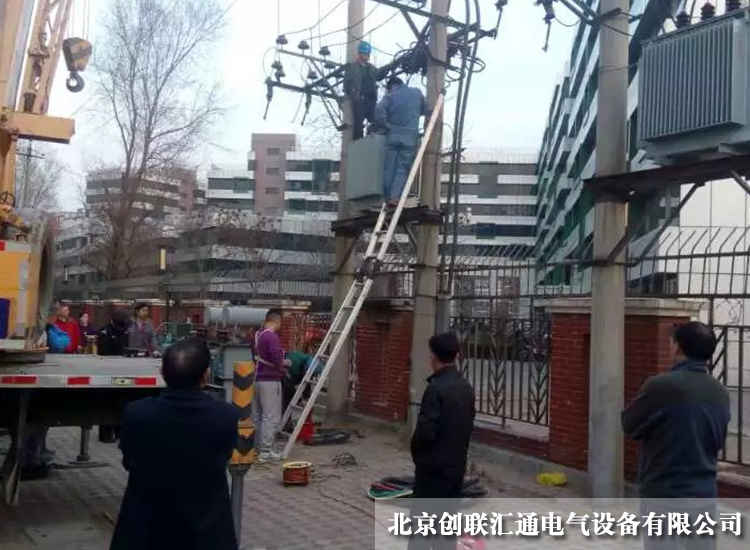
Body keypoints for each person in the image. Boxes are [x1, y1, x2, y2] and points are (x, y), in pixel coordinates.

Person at [110, 339, 240, 550]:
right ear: (206, 375)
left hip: (145, 531)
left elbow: (129, 461)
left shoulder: (136, 414)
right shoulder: (226, 416)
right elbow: (223, 457)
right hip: (206, 533)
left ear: (162, 372)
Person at [622, 322, 730, 499]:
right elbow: (717, 440)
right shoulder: (721, 392)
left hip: (664, 492)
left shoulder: (661, 386)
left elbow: (629, 424)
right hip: (705, 493)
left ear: (677, 347)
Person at [409, 333, 474, 550]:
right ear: (457, 355)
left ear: (434, 357)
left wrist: (418, 457)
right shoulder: (466, 387)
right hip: (455, 469)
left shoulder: (435, 389)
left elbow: (425, 433)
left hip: (432, 472)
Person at [375, 76, 427, 207]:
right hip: (409, 137)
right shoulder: (416, 93)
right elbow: (425, 109)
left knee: (389, 168)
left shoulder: (390, 96)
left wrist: (386, 125)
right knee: (402, 169)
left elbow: (379, 110)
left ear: (391, 86)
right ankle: (394, 197)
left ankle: (387, 197)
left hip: (393, 135)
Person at [253, 310, 290, 462]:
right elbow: (276, 358)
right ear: (277, 321)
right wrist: (285, 365)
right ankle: (266, 451)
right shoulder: (272, 337)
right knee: (270, 416)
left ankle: (257, 447)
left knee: (258, 416)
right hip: (270, 380)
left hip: (258, 378)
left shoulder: (258, 335)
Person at [344, 40, 378, 141]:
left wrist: (390, 67)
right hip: (360, 100)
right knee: (358, 124)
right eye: (364, 54)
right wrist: (353, 93)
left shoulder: (371, 68)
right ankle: (357, 142)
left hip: (371, 100)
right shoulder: (352, 67)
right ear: (359, 54)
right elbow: (346, 85)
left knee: (376, 121)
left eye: (367, 54)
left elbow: (379, 75)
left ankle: (371, 139)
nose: (366, 56)